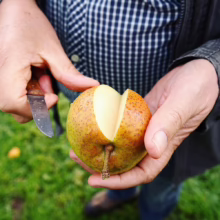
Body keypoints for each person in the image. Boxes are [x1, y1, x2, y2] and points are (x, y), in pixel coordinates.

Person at [0, 0, 220, 219]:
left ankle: (154, 213)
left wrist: (213, 66)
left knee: (162, 181)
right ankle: (119, 196)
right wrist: (18, 4)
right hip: (87, 105)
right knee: (113, 170)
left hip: (170, 111)